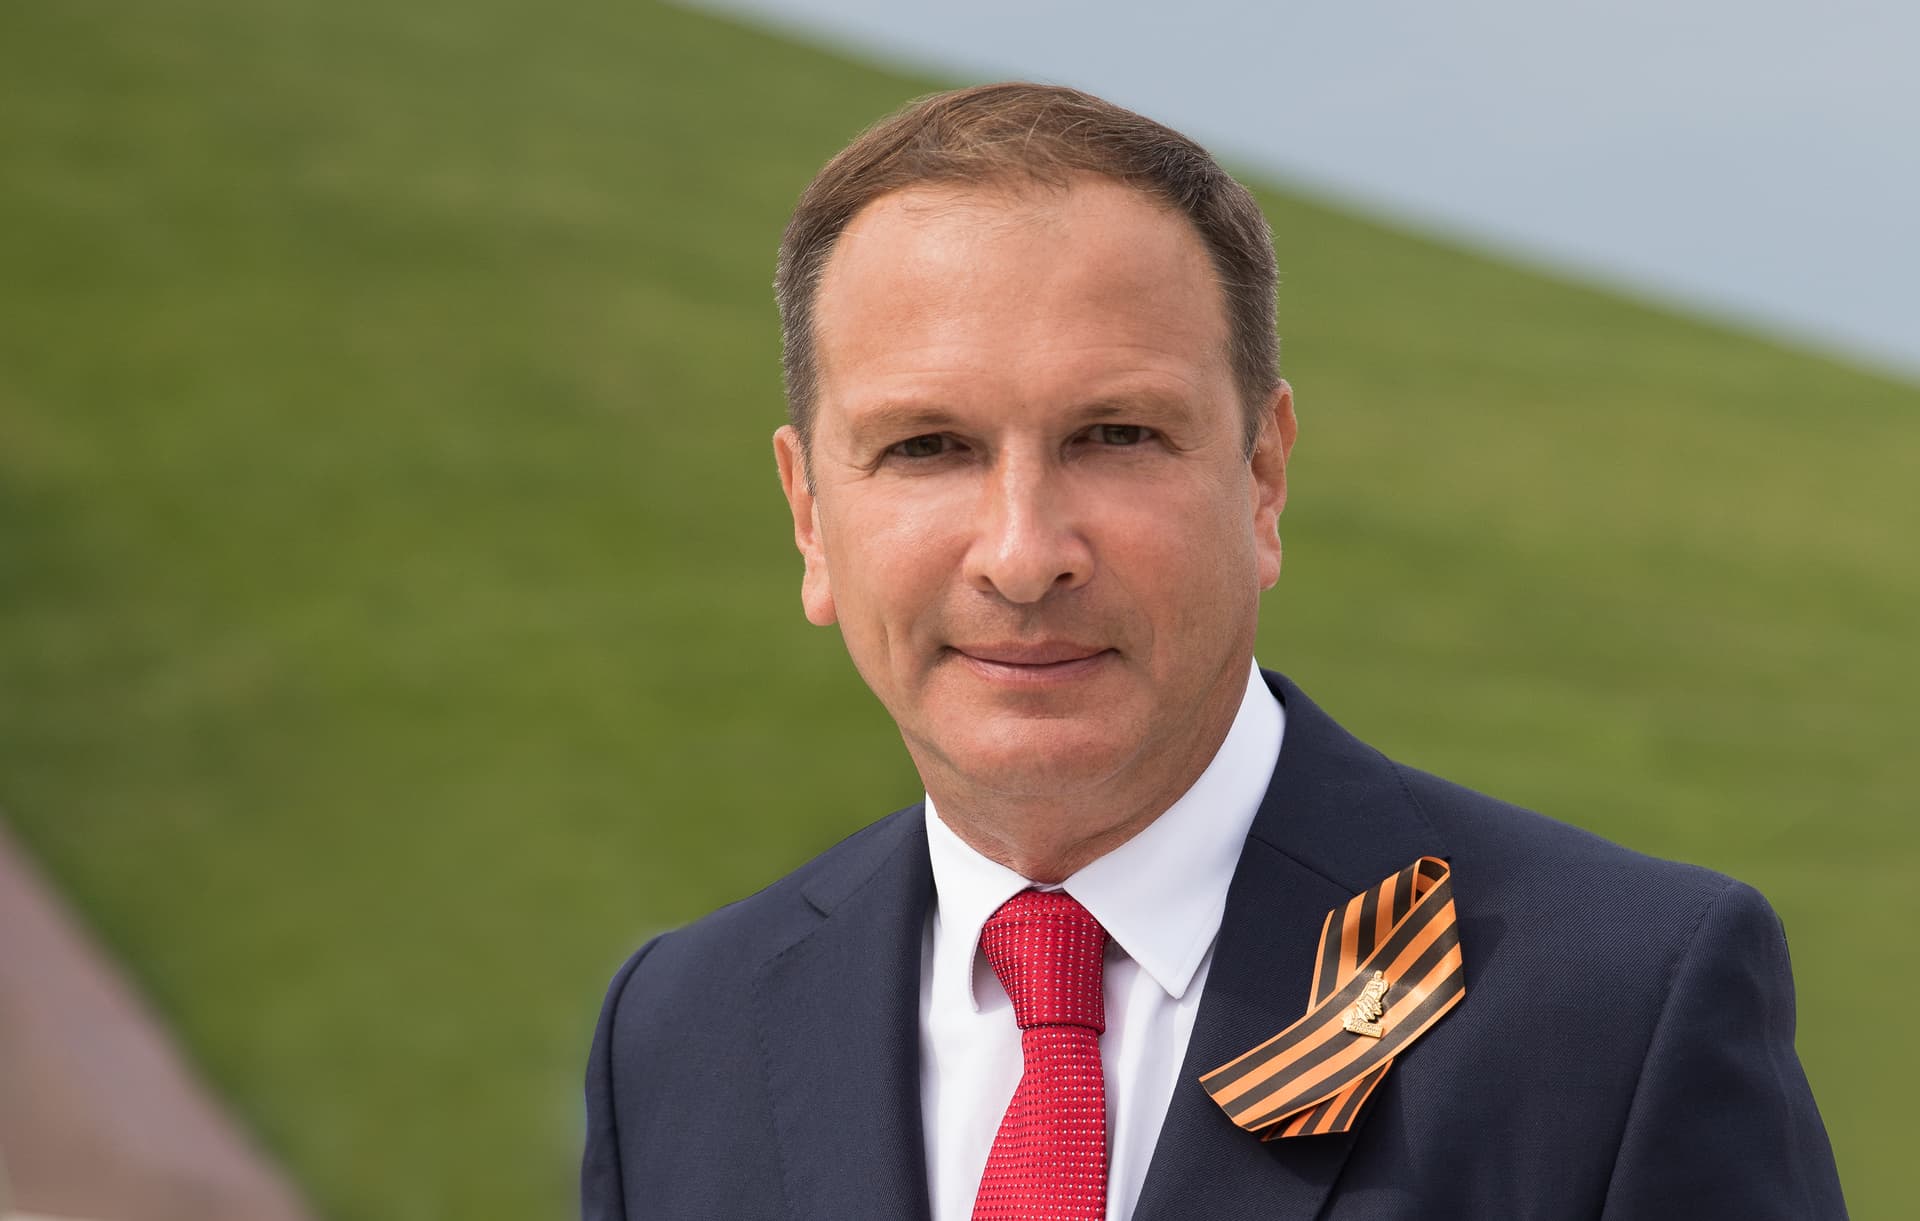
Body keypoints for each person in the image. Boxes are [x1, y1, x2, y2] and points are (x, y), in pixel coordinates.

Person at [581, 83, 1845, 1220]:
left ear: (1263, 478)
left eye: (1117, 435)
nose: (1023, 555)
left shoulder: (1621, 1005)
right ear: (811, 516)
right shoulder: (675, 1035)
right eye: (927, 448)